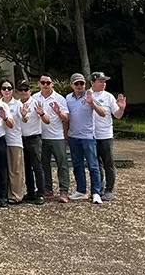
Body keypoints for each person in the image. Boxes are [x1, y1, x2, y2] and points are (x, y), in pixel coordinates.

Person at [65, 73, 103, 204]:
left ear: (85, 84)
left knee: (93, 165)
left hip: (88, 136)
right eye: (76, 83)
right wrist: (65, 134)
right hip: (73, 136)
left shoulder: (90, 95)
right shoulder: (68, 98)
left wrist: (92, 103)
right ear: (72, 85)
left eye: (81, 83)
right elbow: (67, 117)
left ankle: (96, 192)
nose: (79, 86)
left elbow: (102, 113)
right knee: (77, 165)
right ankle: (81, 190)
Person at [32, 73, 70, 202]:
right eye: (43, 82)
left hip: (57, 136)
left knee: (62, 164)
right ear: (39, 84)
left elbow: (66, 118)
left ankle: (64, 191)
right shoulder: (34, 98)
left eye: (48, 83)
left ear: (52, 84)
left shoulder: (59, 98)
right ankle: (47, 189)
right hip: (41, 136)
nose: (45, 85)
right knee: (44, 165)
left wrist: (58, 112)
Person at [90, 72, 126, 201]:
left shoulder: (108, 96)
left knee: (108, 163)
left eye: (104, 81)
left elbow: (117, 115)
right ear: (92, 82)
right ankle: (97, 189)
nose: (103, 84)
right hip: (90, 135)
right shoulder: (87, 94)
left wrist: (121, 108)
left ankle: (109, 189)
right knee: (95, 164)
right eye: (100, 81)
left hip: (105, 135)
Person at [17, 80, 46, 205]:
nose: (24, 92)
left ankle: (41, 193)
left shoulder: (36, 103)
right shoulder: (16, 104)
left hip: (34, 138)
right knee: (26, 167)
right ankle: (30, 192)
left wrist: (42, 113)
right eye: (21, 90)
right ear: (18, 91)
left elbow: (47, 120)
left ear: (30, 91)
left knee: (37, 167)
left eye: (26, 89)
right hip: (21, 139)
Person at [0, 80, 25, 204]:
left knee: (15, 170)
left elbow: (24, 119)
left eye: (9, 88)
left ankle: (16, 195)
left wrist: (25, 115)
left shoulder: (18, 104)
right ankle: (3, 193)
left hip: (14, 140)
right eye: (4, 88)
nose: (7, 91)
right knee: (2, 169)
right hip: (0, 140)